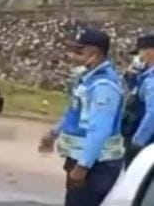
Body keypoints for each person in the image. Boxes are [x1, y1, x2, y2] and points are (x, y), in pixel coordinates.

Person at [38, 28, 125, 206]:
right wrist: (54, 132)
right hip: (83, 158)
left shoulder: (103, 85)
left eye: (79, 51)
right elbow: (75, 111)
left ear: (94, 53)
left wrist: (83, 165)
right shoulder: (87, 79)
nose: (73, 55)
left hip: (98, 164)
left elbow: (100, 129)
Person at [124, 34, 154, 166]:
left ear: (150, 51)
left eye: (141, 52)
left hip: (146, 140)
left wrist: (138, 141)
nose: (139, 57)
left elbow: (152, 113)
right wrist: (131, 77)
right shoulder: (146, 74)